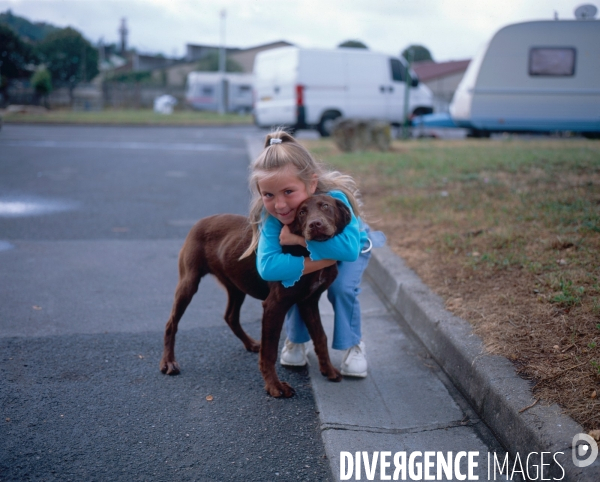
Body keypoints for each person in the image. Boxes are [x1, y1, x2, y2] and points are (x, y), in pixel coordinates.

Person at [240, 130, 385, 377]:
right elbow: (268, 267)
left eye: (288, 192)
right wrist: (315, 263)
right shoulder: (273, 215)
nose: (280, 204)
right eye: (269, 195)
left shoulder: (337, 198)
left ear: (311, 184)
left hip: (353, 247)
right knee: (295, 282)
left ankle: (352, 345)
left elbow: (347, 251)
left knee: (342, 289)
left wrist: (296, 240)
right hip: (320, 253)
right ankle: (296, 340)